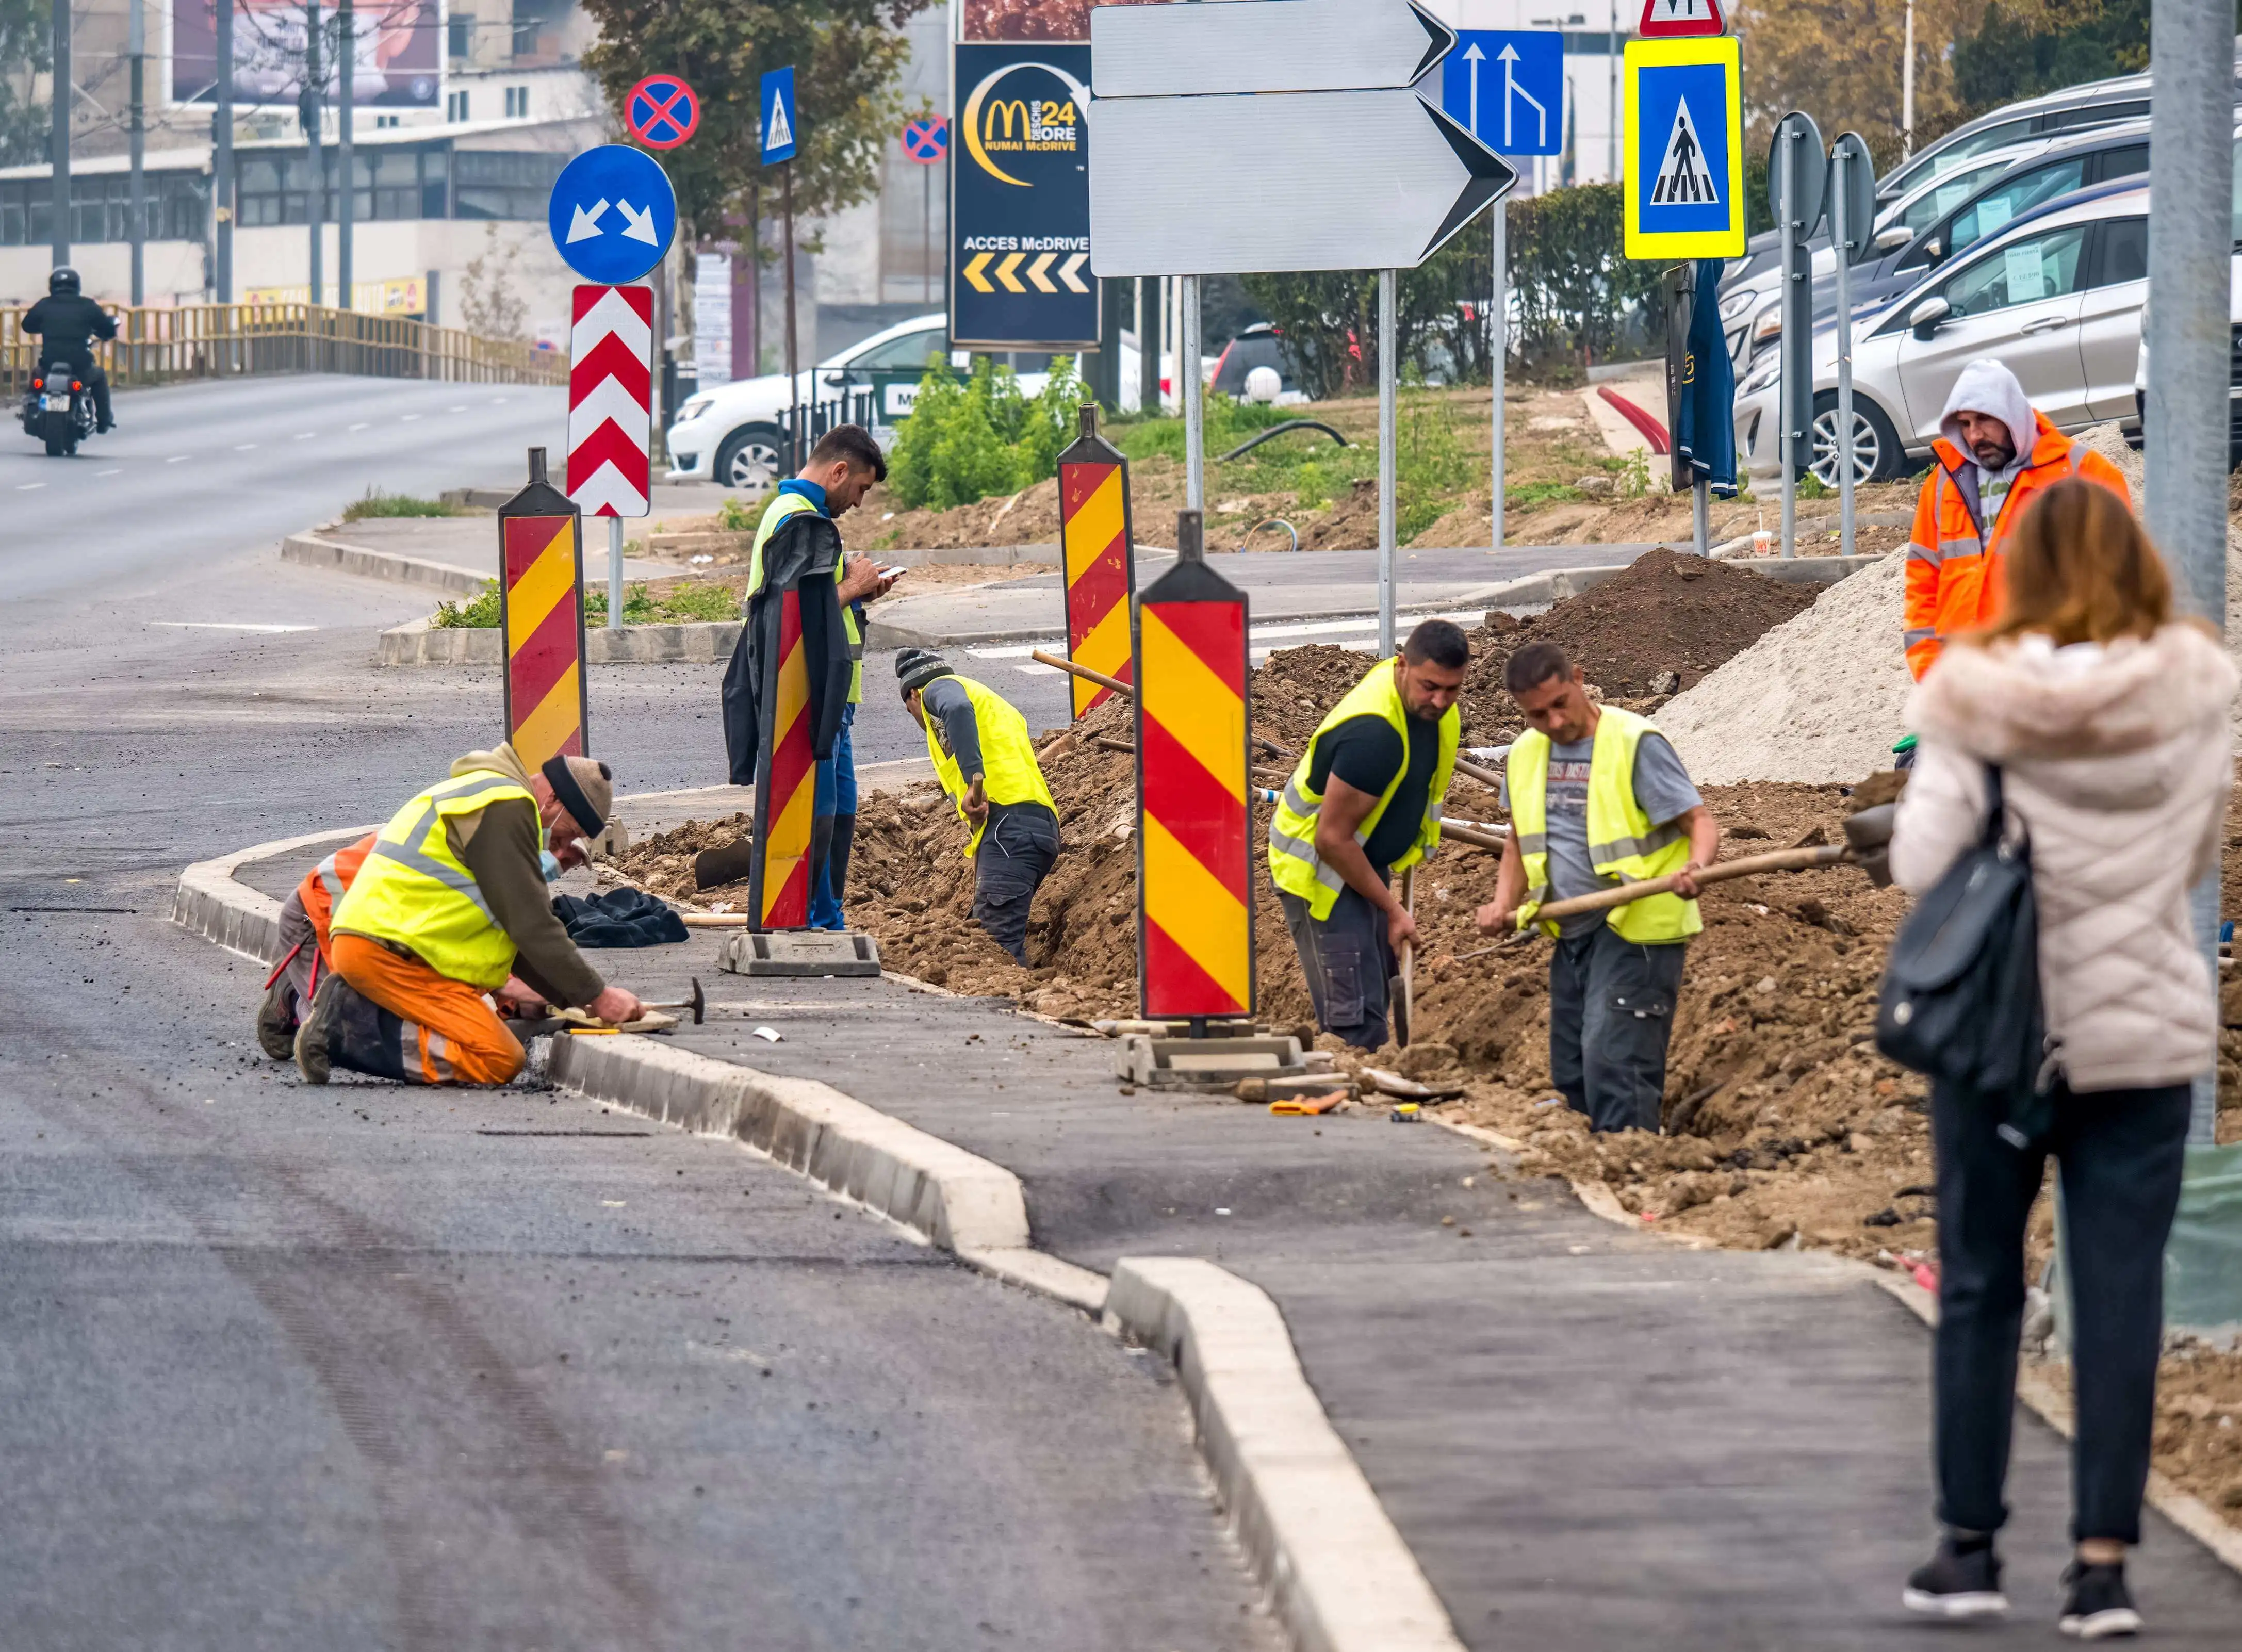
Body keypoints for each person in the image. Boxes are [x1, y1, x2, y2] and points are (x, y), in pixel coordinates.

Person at [1889, 479, 2231, 1638]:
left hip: (2000, 1036)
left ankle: (1967, 1547)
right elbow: (2194, 853)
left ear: (2018, 573)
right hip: (2142, 1037)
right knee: (2121, 1294)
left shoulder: (1972, 697)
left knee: (1978, 1282)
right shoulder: (2193, 694)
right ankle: (2100, 1569)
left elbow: (1920, 861)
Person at [1475, 641, 1719, 1133]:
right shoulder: (1525, 753)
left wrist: (1696, 867)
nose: (1553, 721)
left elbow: (1699, 821)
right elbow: (1519, 840)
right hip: (1569, 931)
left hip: (1636, 928)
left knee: (1616, 1062)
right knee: (1572, 1069)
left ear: (1579, 679)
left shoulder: (1634, 742)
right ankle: (1588, 1162)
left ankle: (1630, 1162)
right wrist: (1503, 902)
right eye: (1536, 714)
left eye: (1559, 704)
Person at [294, 744, 644, 1086]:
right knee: (498, 1057)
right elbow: (531, 924)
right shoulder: (507, 806)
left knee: (499, 1051)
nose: (564, 844)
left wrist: (573, 998)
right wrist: (598, 996)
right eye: (572, 831)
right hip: (389, 953)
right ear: (553, 799)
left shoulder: (485, 796)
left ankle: (350, 1011)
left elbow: (514, 933)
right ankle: (345, 1026)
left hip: (393, 949)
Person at [722, 424, 898, 930]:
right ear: (839, 471)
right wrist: (853, 587)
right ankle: (812, 919)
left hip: (827, 700)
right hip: (808, 699)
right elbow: (789, 617)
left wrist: (857, 591)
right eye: (860, 488)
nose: (859, 502)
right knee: (817, 814)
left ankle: (825, 916)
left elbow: (813, 602)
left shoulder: (801, 518)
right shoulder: (799, 522)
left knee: (835, 815)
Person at [1268, 620, 1466, 1050]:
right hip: (1321, 872)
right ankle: (1352, 1081)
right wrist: (1393, 910)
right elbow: (1332, 840)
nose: (1440, 701)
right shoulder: (1373, 736)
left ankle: (1374, 1065)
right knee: (1355, 1020)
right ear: (1402, 665)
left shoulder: (1431, 709)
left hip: (1363, 860)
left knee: (1376, 984)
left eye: (1451, 689)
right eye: (1430, 686)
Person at [1904, 358, 2130, 682]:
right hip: (1962, 677)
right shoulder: (1942, 484)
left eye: (1984, 419)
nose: (1975, 435)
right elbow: (1922, 580)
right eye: (1965, 424)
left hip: (2051, 679)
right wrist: (1930, 671)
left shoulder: (2085, 473)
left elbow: (2118, 584)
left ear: (2011, 414)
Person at [897, 648, 1060, 964]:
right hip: (1037, 827)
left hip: (1009, 829)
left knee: (996, 948)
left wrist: (975, 781)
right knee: (983, 934)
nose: (917, 718)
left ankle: (1009, 996)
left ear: (914, 694)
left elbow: (956, 708)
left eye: (909, 709)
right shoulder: (991, 703)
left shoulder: (938, 688)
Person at [22, 267, 117, 432]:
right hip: (80, 366)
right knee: (99, 376)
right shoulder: (87, 305)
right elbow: (107, 329)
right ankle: (104, 420)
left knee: (37, 377)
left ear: (52, 286)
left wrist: (45, 327)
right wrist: (107, 331)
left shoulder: (45, 304)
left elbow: (27, 325)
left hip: (49, 363)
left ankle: (32, 409)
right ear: (77, 286)